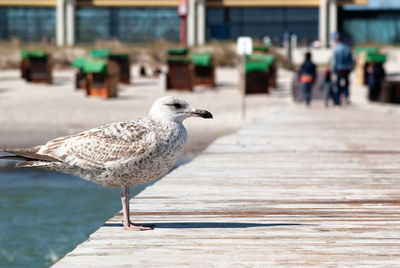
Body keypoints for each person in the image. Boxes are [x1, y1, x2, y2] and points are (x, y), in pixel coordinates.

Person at [331, 33, 354, 105]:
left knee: (338, 85)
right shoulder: (347, 48)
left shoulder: (336, 49)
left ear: (336, 41)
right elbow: (351, 60)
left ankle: (338, 100)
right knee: (346, 84)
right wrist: (351, 69)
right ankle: (346, 97)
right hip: (346, 69)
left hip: (339, 69)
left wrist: (333, 70)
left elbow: (334, 61)